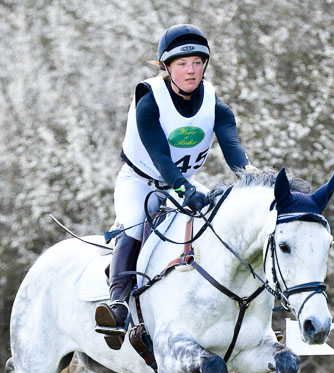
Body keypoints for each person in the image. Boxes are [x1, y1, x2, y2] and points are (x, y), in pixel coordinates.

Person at [95, 23, 257, 349]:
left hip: (184, 183)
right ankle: (118, 306)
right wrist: (184, 190)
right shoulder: (149, 100)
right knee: (135, 226)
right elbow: (160, 157)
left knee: (217, 224)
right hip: (140, 182)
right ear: (166, 67)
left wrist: (252, 176)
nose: (191, 70)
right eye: (182, 63)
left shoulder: (213, 103)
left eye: (197, 62)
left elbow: (233, 148)